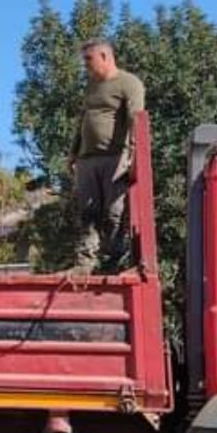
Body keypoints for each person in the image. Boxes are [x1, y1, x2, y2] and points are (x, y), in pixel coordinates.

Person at [69, 40, 146, 272]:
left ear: (104, 56)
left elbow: (136, 118)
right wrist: (73, 153)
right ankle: (85, 261)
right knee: (88, 211)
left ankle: (114, 260)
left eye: (89, 60)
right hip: (87, 158)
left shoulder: (129, 83)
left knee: (114, 212)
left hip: (115, 156)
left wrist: (134, 153)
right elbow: (83, 120)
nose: (86, 66)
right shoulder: (91, 85)